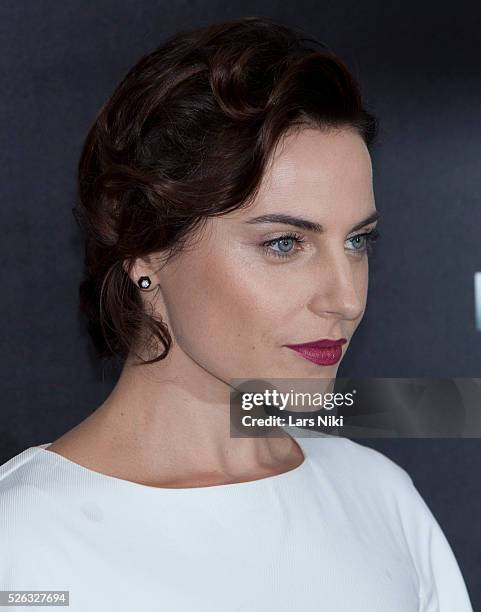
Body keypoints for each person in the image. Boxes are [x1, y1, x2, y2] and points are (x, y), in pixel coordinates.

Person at [0, 16, 473, 612]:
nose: (346, 299)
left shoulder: (379, 497)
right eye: (284, 243)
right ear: (144, 246)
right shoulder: (23, 547)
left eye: (357, 241)